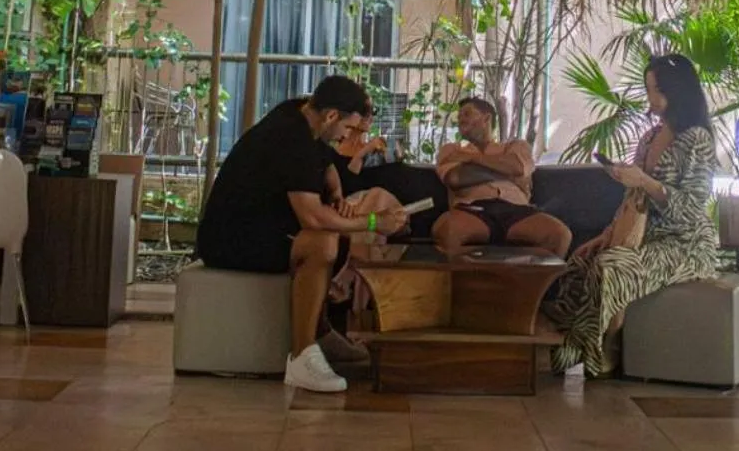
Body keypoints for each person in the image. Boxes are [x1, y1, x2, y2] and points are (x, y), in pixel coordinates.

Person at [197, 75, 411, 392]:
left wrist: (336, 193)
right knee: (321, 241)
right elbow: (311, 216)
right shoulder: (291, 140)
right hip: (231, 240)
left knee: (336, 235)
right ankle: (302, 357)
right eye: (350, 129)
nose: (348, 138)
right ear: (331, 116)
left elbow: (326, 165)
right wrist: (372, 223)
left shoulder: (298, 113)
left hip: (259, 227)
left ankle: (321, 332)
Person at [543, 53, 718, 376]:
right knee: (580, 261)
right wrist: (606, 235)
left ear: (674, 91)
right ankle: (573, 344)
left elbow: (692, 209)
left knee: (612, 267)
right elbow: (632, 201)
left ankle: (607, 347)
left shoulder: (696, 139)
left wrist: (646, 182)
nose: (648, 96)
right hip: (642, 235)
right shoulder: (650, 137)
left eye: (653, 89)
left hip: (684, 243)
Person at [432, 96, 572, 257]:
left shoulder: (516, 146)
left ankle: (523, 283)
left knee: (559, 235)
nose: (460, 120)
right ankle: (470, 283)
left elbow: (517, 167)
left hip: (518, 210)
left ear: (487, 118)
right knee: (448, 231)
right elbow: (456, 179)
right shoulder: (451, 150)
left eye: (467, 114)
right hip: (472, 209)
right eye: (459, 117)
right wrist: (506, 174)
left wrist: (471, 159)